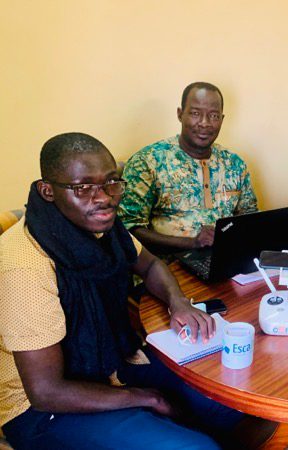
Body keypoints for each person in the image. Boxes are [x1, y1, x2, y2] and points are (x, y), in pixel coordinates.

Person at [0, 133, 273, 449]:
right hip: (39, 411)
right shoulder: (24, 265)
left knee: (235, 408)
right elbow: (46, 391)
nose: (104, 198)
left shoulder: (100, 224)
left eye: (111, 182)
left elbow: (150, 264)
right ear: (47, 191)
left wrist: (179, 303)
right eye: (83, 187)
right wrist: (148, 398)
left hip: (111, 362)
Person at [119, 82, 258, 254]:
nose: (204, 123)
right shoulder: (148, 162)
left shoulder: (235, 164)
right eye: (195, 113)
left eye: (213, 116)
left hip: (223, 262)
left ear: (222, 120)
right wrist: (191, 243)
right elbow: (127, 229)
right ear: (180, 114)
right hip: (166, 267)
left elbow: (250, 220)